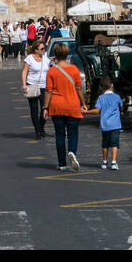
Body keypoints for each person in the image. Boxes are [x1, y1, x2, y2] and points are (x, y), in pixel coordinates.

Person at [43, 42, 85, 172]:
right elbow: (79, 88)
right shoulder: (74, 69)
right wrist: (83, 104)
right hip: (72, 105)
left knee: (59, 135)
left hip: (57, 106)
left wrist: (45, 107)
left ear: (55, 55)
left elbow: (48, 91)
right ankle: (72, 151)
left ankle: (62, 163)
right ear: (67, 54)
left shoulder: (52, 71)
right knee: (73, 133)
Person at [93, 75, 123, 170]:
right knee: (115, 143)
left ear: (102, 87)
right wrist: (121, 111)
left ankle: (104, 162)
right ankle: (113, 162)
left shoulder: (101, 98)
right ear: (112, 85)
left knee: (105, 144)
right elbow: (121, 106)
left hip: (105, 125)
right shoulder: (117, 97)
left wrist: (87, 112)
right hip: (115, 124)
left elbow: (97, 110)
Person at [22, 39, 49, 139]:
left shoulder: (46, 58)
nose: (44, 50)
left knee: (45, 109)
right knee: (34, 109)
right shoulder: (29, 58)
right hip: (32, 85)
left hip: (44, 87)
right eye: (42, 49)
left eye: (44, 48)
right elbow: (24, 71)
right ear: (36, 50)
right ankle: (38, 131)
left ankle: (41, 127)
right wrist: (24, 85)